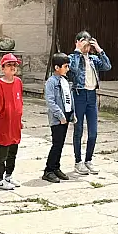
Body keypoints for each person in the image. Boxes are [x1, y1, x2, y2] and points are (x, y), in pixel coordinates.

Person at [68, 31, 111, 175]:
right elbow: (72, 69)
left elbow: (107, 66)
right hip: (79, 94)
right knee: (78, 129)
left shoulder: (93, 59)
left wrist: (99, 50)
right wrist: (78, 50)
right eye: (84, 42)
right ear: (77, 42)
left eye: (88, 43)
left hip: (92, 96)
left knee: (93, 131)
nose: (87, 46)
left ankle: (88, 159)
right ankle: (78, 161)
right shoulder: (72, 57)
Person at [0, 54, 24, 190]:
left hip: (16, 123)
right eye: (9, 65)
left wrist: (20, 119)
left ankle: (9, 174)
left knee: (13, 149)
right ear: (3, 68)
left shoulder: (18, 82)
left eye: (14, 65)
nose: (12, 67)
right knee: (3, 150)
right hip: (6, 122)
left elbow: (20, 102)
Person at [43, 54, 74, 183]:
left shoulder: (64, 80)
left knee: (61, 144)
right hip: (57, 118)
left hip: (65, 116)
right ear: (57, 67)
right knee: (56, 144)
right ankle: (48, 170)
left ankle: (56, 167)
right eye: (65, 66)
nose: (67, 69)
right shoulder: (51, 82)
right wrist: (60, 115)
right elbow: (50, 101)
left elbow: (69, 98)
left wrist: (72, 114)